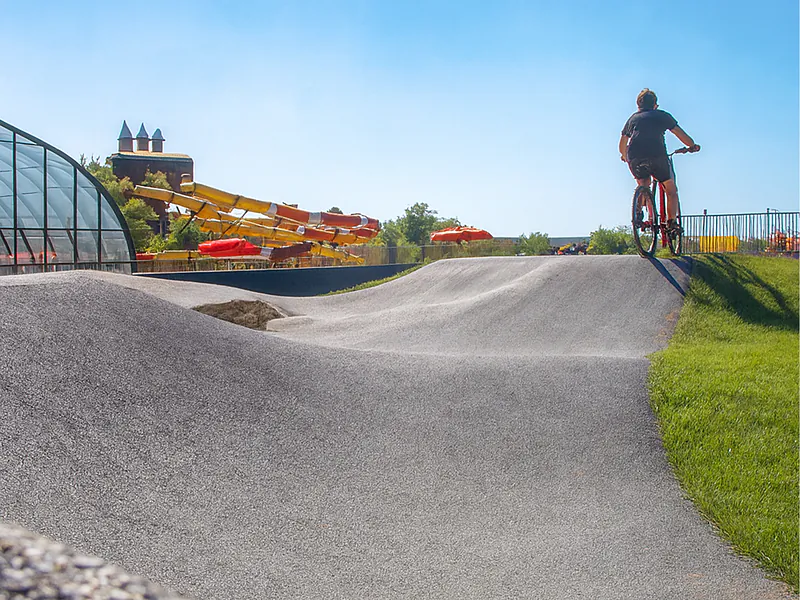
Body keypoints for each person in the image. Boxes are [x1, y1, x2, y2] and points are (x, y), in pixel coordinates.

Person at [619, 89, 700, 233]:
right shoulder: (662, 116)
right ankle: (671, 223)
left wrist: (624, 156)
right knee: (671, 189)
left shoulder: (633, 119)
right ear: (655, 105)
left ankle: (638, 211)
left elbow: (623, 142)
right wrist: (691, 146)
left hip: (635, 156)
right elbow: (680, 134)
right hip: (657, 155)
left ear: (638, 105)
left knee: (643, 182)